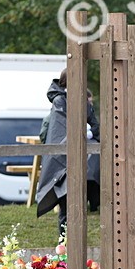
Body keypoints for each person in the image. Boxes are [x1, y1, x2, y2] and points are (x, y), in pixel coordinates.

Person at [35, 69, 101, 235]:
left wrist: (88, 132)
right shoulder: (59, 101)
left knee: (80, 203)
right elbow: (62, 130)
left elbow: (95, 126)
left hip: (83, 160)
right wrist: (82, 131)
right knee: (66, 204)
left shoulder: (84, 101)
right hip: (62, 162)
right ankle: (63, 244)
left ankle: (76, 240)